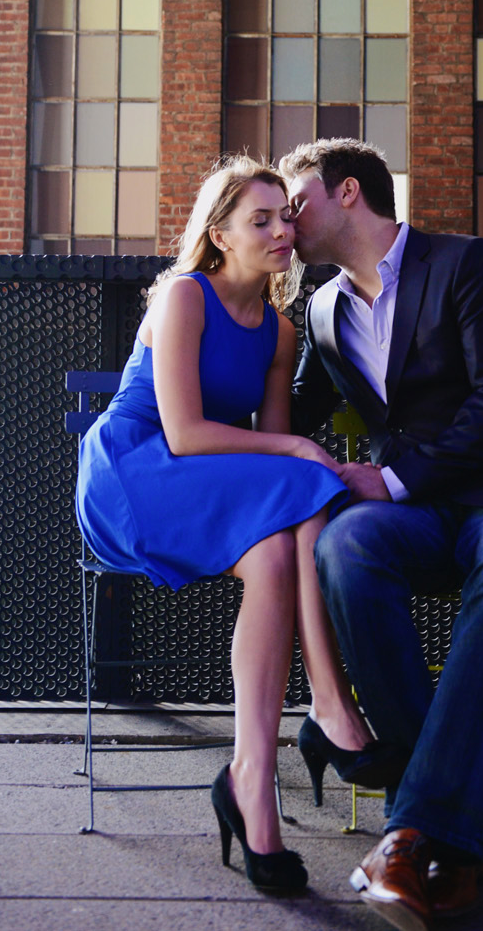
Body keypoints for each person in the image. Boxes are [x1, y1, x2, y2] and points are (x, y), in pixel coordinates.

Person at [279, 138, 483, 928]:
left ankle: (413, 833)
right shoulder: (319, 310)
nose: (287, 215)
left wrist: (392, 478)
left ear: (349, 192)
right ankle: (447, 832)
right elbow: (286, 418)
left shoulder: (464, 264)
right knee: (344, 547)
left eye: (297, 198)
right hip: (413, 521)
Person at [75, 155, 398, 895]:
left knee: (285, 545)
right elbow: (185, 432)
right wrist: (293, 447)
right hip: (137, 475)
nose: (284, 229)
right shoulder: (185, 297)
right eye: (263, 219)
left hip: (207, 485)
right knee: (308, 474)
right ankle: (329, 703)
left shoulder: (281, 335)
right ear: (220, 234)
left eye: (286, 215)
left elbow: (282, 486)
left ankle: (252, 781)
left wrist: (293, 452)